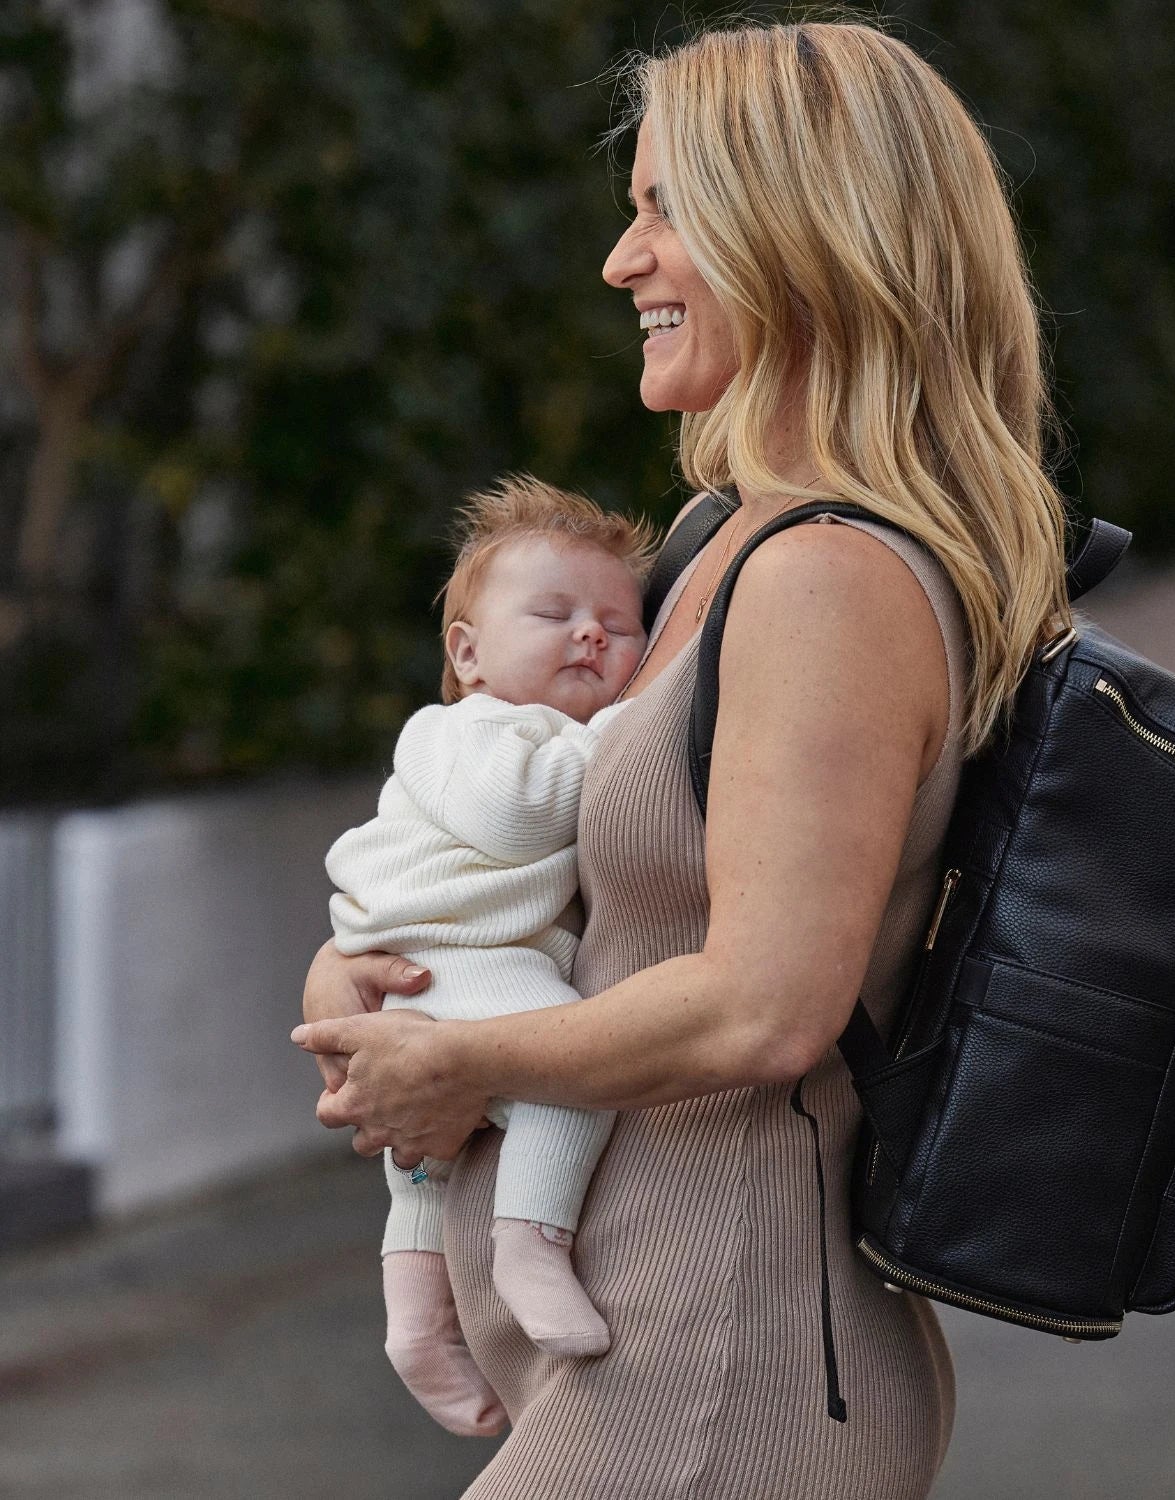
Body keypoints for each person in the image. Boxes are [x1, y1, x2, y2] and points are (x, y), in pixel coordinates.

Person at [294, 19, 1073, 1498]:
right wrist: (375, 973)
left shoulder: (831, 578)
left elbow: (765, 1007)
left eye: (666, 209)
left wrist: (460, 1062)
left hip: (721, 1359)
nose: (621, 259)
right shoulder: (727, 539)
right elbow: (616, 902)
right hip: (649, 1352)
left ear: (801, 234)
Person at [323, 476, 654, 1436]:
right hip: (448, 954)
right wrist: (621, 729)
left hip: (454, 957)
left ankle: (417, 1325)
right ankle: (531, 1245)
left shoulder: (529, 729)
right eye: (553, 615)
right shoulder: (464, 730)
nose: (589, 635)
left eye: (618, 626)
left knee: (428, 1165)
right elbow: (516, 818)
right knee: (572, 1064)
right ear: (466, 654)